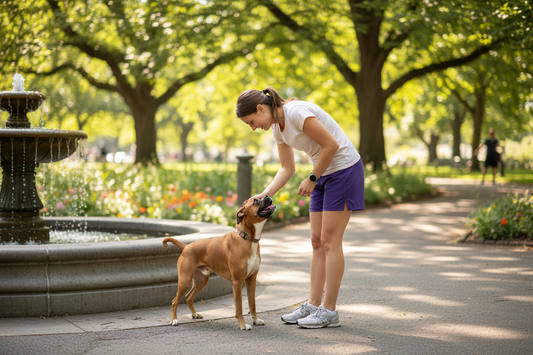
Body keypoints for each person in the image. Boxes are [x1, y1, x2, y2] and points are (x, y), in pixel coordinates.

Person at [235, 87, 364, 329]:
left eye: (252, 122)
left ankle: (329, 311)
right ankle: (313, 305)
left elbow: (331, 146)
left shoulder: (296, 112)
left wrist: (313, 178)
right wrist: (263, 195)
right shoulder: (277, 128)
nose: (253, 128)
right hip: (323, 173)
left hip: (344, 170)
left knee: (330, 241)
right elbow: (287, 168)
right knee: (316, 241)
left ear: (261, 108)